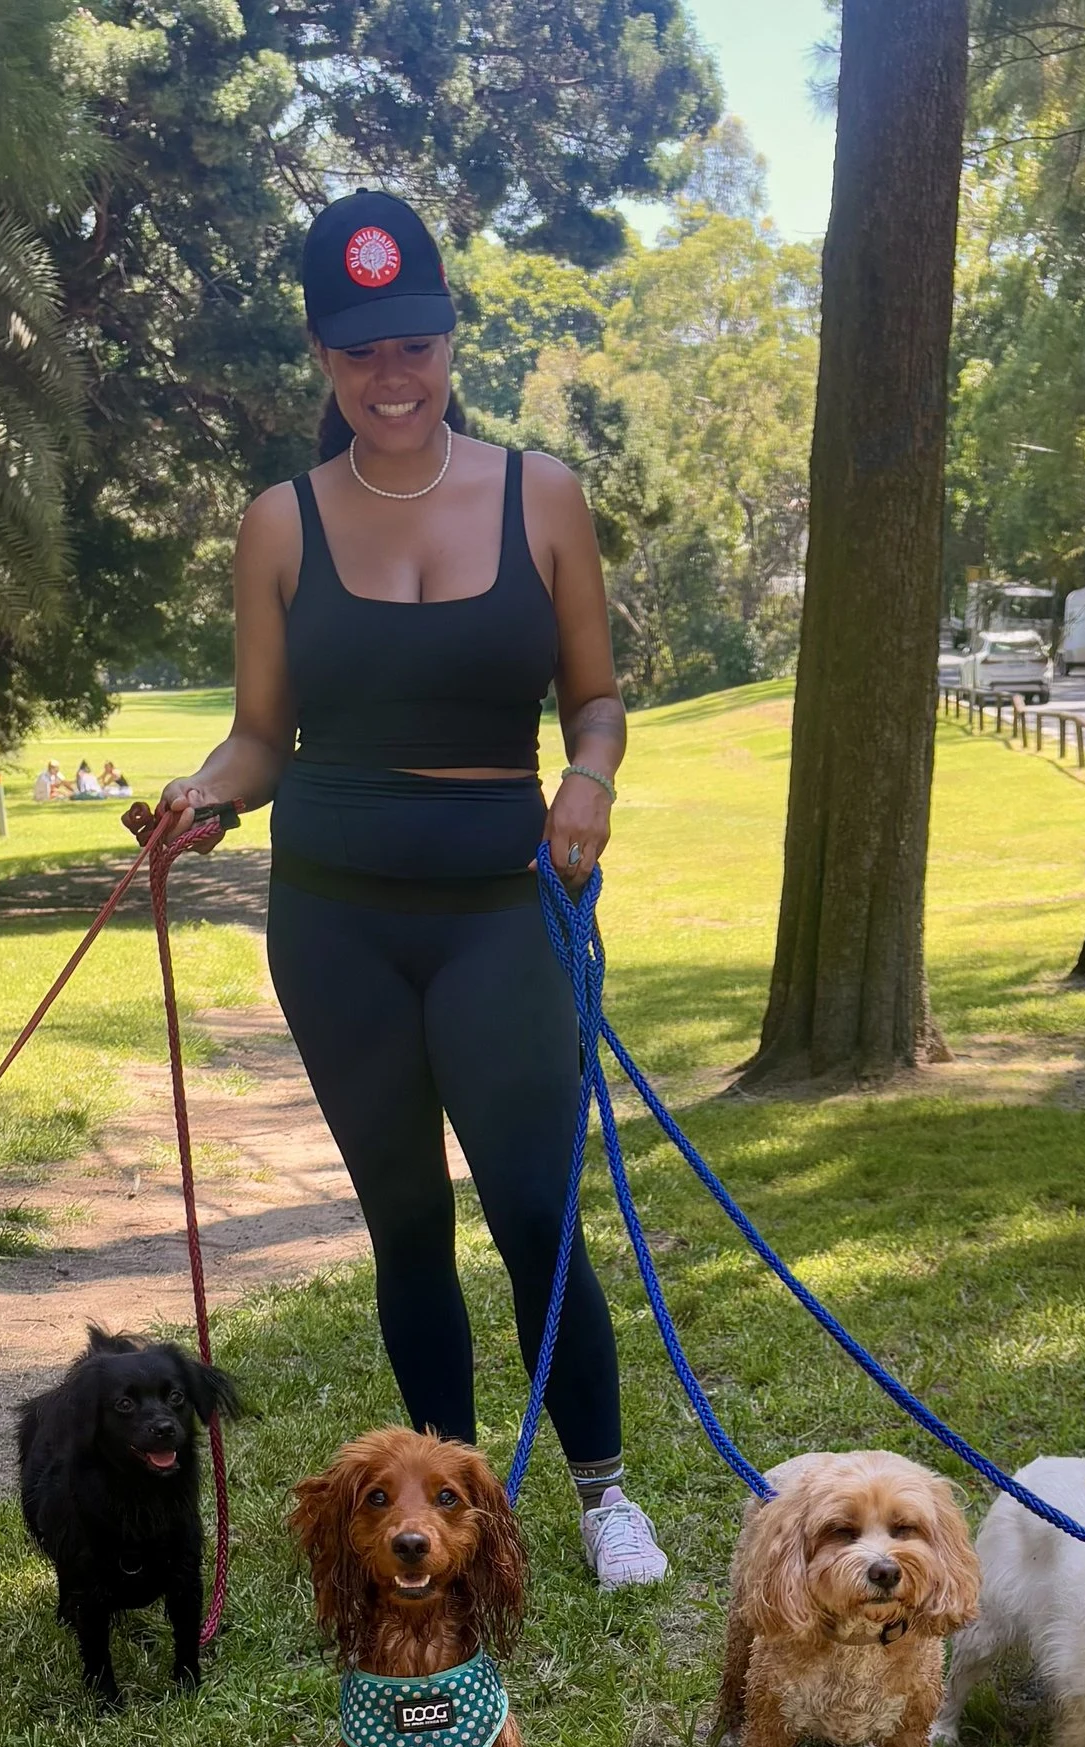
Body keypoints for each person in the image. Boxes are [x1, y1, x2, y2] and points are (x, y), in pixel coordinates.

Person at [155, 189, 664, 1587]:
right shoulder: (278, 524)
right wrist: (205, 800)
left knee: (532, 1212)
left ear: (449, 340)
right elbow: (262, 737)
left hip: (504, 910)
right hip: (336, 924)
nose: (392, 375)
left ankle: (603, 1493)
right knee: (407, 1223)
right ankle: (443, 1518)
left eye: (415, 343)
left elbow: (599, 699)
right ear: (323, 359)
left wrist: (589, 782)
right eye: (360, 350)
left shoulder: (540, 493)